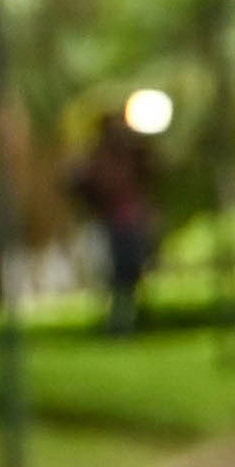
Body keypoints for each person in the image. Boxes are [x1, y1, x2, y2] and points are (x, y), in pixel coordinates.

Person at [75, 109, 156, 325]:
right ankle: (119, 319)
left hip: (132, 221)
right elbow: (83, 185)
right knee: (118, 273)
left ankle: (131, 317)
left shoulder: (132, 153)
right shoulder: (99, 159)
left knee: (133, 270)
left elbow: (153, 167)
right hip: (113, 223)